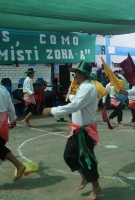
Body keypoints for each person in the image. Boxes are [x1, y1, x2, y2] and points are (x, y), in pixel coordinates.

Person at [42, 61, 102, 200]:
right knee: (69, 156)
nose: (74, 76)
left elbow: (76, 106)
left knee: (87, 160)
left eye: (75, 74)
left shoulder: (88, 88)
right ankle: (85, 178)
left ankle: (96, 188)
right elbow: (78, 101)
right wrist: (71, 96)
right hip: (76, 130)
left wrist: (52, 110)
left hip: (84, 132)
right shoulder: (83, 87)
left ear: (81, 74)